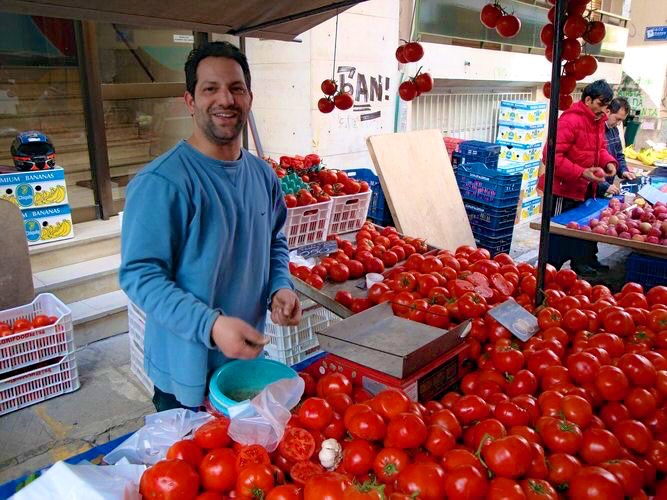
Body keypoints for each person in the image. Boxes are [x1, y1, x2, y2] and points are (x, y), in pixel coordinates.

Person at [119, 41, 302, 411]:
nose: (226, 99)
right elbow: (140, 276)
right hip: (184, 371)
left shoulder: (261, 175)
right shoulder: (162, 182)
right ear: (190, 101)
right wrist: (211, 325)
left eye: (236, 88)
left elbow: (274, 242)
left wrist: (280, 286)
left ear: (249, 97)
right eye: (210, 88)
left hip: (244, 367)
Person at [537, 79, 618, 276]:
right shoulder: (570, 120)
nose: (603, 110)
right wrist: (581, 172)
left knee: (579, 232)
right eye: (601, 104)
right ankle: (545, 276)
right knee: (556, 237)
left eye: (606, 106)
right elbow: (551, 156)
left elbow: (600, 149)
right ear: (588, 100)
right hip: (562, 190)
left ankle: (578, 265)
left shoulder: (596, 122)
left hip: (583, 189)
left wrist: (609, 163)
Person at [598, 97, 635, 197]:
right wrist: (604, 185)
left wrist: (623, 171)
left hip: (607, 188)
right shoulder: (595, 129)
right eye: (617, 119)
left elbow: (618, 154)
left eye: (621, 120)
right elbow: (588, 164)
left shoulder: (614, 130)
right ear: (608, 111)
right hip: (593, 187)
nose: (618, 123)